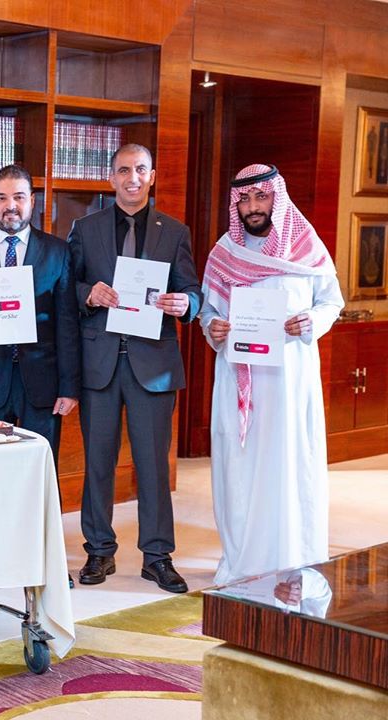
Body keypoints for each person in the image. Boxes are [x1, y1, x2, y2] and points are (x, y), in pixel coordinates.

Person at [200, 163, 342, 586]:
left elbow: (332, 302)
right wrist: (213, 327)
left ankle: (294, 556)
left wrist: (310, 322)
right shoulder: (225, 252)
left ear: (275, 198)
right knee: (241, 466)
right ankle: (242, 561)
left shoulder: (305, 246)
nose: (252, 207)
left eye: (260, 197)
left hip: (289, 383)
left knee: (289, 462)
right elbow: (209, 311)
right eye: (243, 200)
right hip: (241, 381)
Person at [68, 144, 201, 593]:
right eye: (124, 170)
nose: (132, 178)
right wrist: (89, 293)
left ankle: (158, 556)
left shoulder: (175, 231)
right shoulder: (85, 229)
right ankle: (99, 551)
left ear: (153, 175)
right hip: (100, 363)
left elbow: (191, 290)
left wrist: (187, 305)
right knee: (98, 462)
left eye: (141, 170)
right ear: (110, 178)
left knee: (152, 465)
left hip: (153, 364)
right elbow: (67, 287)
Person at [0, 164, 81, 467]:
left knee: (39, 471)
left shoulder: (58, 252)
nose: (10, 206)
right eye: (1, 198)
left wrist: (69, 387)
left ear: (32, 201)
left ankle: (41, 519)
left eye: (19, 197)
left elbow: (67, 325)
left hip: (43, 384)